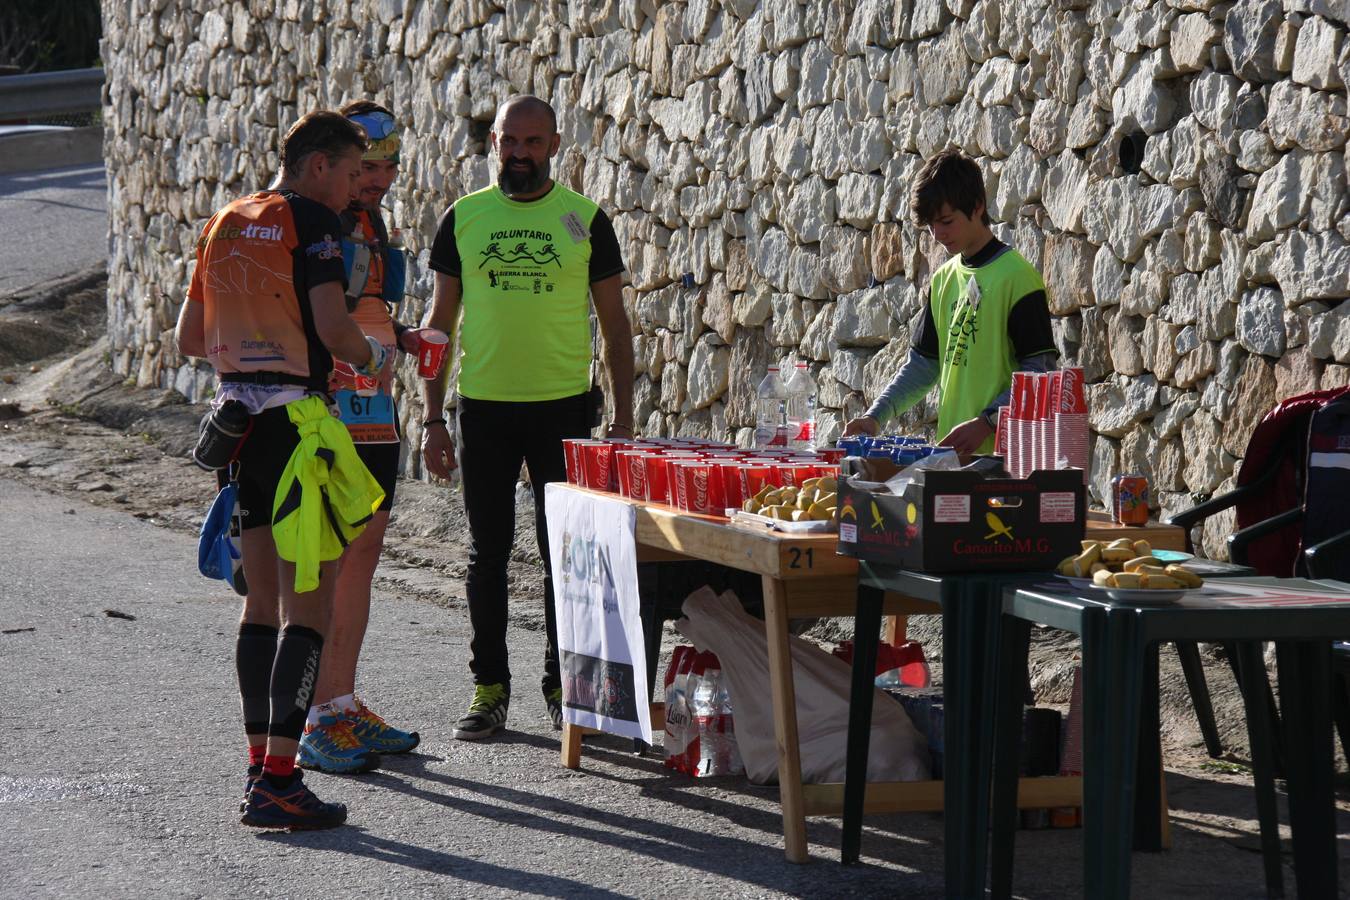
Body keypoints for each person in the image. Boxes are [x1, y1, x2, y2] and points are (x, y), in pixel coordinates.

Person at [174, 110, 386, 829]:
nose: (358, 188)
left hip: (238, 433)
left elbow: (187, 339)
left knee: (258, 606)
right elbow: (334, 330)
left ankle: (258, 770)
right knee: (311, 608)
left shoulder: (223, 222)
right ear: (318, 164)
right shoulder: (314, 223)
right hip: (299, 431)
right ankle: (281, 779)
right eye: (354, 172)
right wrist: (375, 356)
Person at [420, 94, 634, 740]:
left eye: (532, 142)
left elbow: (616, 327)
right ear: (492, 142)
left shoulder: (585, 220)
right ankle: (490, 688)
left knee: (562, 555)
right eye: (509, 141)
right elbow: (439, 326)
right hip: (483, 408)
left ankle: (559, 686)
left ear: (555, 145)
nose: (519, 154)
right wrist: (431, 418)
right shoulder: (463, 218)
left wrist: (623, 421)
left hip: (563, 410)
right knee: (487, 555)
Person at [295, 100, 424, 775]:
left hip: (375, 401)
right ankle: (312, 715)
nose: (377, 178)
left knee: (366, 549)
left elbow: (367, 308)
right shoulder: (314, 217)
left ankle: (342, 701)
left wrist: (403, 339)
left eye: (389, 166)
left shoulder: (368, 218)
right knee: (327, 557)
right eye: (367, 166)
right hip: (331, 404)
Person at [843, 149, 1057, 454]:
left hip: (1009, 465)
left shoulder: (1018, 278)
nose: (938, 234)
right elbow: (923, 365)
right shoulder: (943, 280)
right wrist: (875, 416)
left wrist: (989, 421)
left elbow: (1041, 373)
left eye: (946, 221)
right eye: (931, 225)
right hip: (952, 463)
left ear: (978, 206)